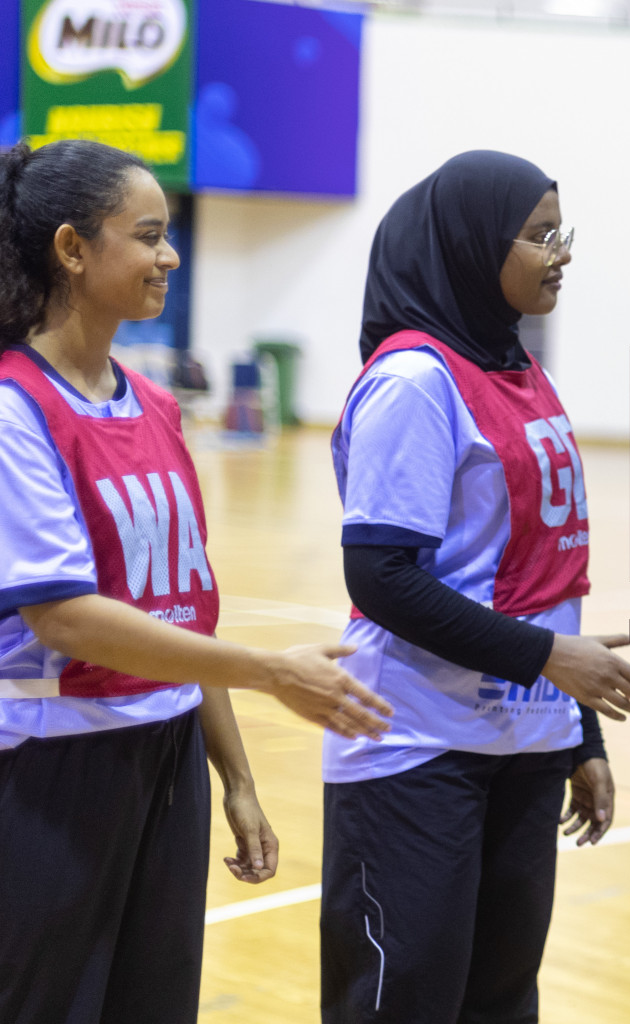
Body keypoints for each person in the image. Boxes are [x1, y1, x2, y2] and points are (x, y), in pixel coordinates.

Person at [0, 139, 393, 1024]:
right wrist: (272, 672)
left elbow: (182, 613)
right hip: (50, 770)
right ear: (72, 248)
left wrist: (236, 777)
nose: (169, 256)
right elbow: (65, 618)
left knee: (155, 1002)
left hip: (167, 755)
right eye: (147, 236)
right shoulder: (14, 407)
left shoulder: (156, 405)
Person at [319, 151, 630, 1024]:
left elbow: (549, 581)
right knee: (406, 1006)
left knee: (502, 1006)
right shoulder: (414, 380)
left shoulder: (518, 369)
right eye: (541, 235)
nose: (562, 253)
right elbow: (381, 576)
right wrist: (551, 661)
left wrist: (576, 734)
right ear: (476, 245)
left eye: (563, 234)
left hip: (521, 746)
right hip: (416, 749)